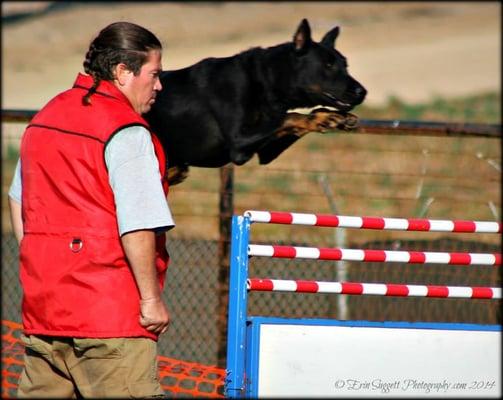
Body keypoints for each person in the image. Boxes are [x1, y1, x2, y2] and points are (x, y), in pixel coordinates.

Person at [8, 21, 175, 398]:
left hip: (45, 310)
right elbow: (138, 223)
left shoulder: (46, 116)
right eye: (154, 74)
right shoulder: (127, 131)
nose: (159, 86)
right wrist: (150, 301)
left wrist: (39, 260)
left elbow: (18, 199)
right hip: (110, 319)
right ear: (122, 72)